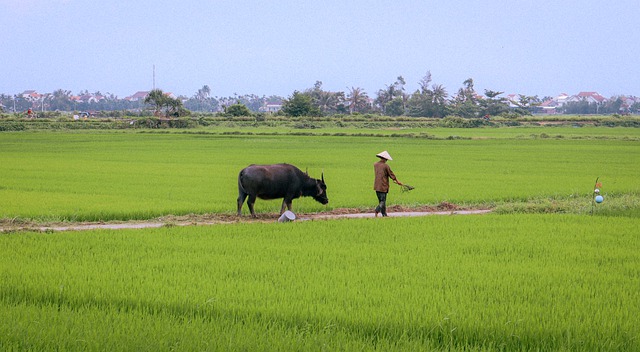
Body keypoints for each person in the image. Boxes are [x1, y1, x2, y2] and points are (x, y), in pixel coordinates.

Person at [373, 150, 402, 217]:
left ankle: (384, 214)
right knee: (383, 201)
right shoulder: (386, 166)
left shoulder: (375, 164)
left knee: (381, 201)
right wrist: (397, 181)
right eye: (386, 159)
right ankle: (377, 210)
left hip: (376, 185)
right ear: (385, 158)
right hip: (383, 186)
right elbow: (391, 174)